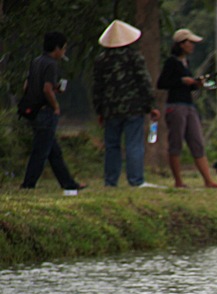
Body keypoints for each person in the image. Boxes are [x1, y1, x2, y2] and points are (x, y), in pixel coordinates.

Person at [93, 20, 161, 187]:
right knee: (134, 144)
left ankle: (110, 181)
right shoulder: (134, 57)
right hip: (133, 108)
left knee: (112, 146)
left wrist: (99, 110)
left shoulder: (101, 60)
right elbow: (143, 81)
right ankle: (136, 180)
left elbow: (97, 87)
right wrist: (151, 105)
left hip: (110, 110)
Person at [20, 31, 85, 191]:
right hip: (45, 113)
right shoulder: (51, 64)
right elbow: (47, 89)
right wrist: (55, 106)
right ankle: (28, 184)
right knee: (40, 152)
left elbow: (26, 86)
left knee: (53, 151)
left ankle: (68, 183)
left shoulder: (36, 61)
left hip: (33, 112)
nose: (64, 52)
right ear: (57, 48)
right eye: (63, 49)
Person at [156, 28, 217, 188]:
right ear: (181, 44)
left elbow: (188, 86)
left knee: (197, 141)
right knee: (176, 142)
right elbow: (162, 83)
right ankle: (178, 181)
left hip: (189, 105)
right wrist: (182, 81)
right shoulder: (171, 62)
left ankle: (208, 180)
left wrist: (196, 84)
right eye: (190, 42)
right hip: (175, 106)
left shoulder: (187, 63)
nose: (192, 46)